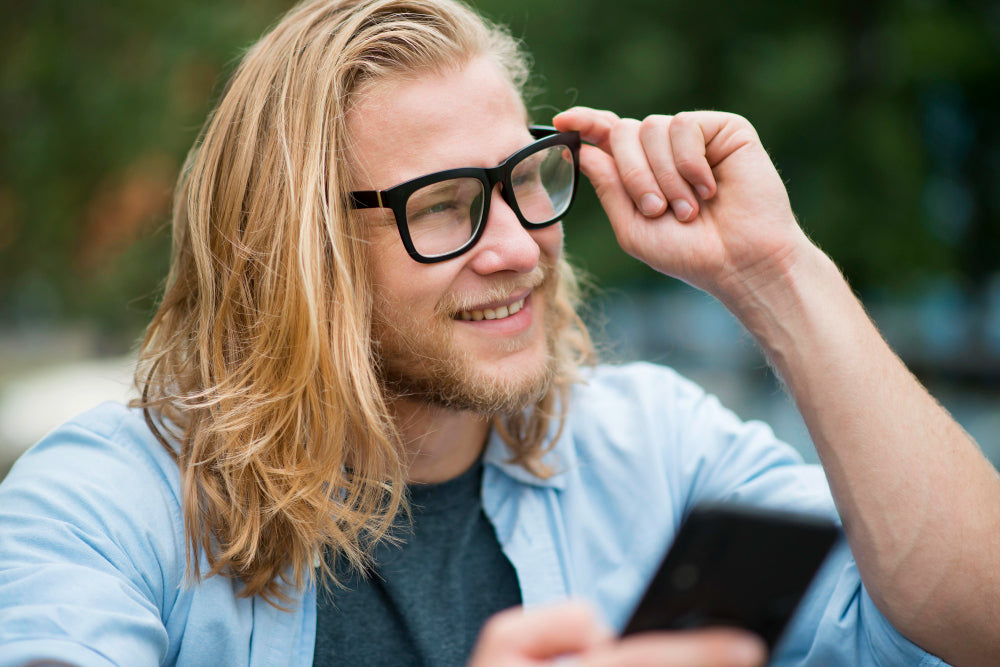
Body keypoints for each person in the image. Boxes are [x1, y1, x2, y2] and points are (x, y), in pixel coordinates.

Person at [1, 0, 998, 665]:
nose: (521, 247)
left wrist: (777, 272)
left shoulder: (655, 447)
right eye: (444, 204)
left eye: (527, 178)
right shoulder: (99, 508)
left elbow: (975, 621)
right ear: (298, 247)